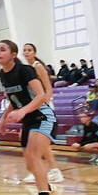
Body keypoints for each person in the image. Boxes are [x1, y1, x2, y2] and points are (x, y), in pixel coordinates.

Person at [0, 40, 58, 195]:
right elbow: (13, 99)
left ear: (13, 54)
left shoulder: (25, 70)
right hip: (29, 120)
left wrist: (23, 111)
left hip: (43, 116)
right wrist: (3, 118)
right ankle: (43, 190)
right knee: (30, 163)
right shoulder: (3, 74)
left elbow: (41, 96)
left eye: (3, 50)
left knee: (34, 156)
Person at [20, 43, 64, 184]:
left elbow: (48, 87)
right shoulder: (26, 69)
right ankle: (52, 171)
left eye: (29, 50)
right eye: (25, 50)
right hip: (32, 106)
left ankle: (40, 171)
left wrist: (45, 102)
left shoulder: (38, 66)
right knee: (40, 144)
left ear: (34, 52)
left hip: (42, 107)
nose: (26, 52)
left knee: (37, 142)